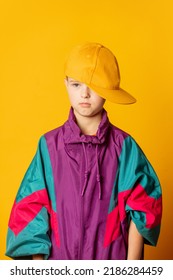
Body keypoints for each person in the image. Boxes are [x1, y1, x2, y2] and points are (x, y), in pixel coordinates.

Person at [6, 42, 162, 260]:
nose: (85, 94)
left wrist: (131, 271)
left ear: (109, 90)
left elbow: (143, 206)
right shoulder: (49, 147)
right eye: (77, 85)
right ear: (66, 84)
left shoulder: (124, 147)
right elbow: (30, 212)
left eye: (94, 86)